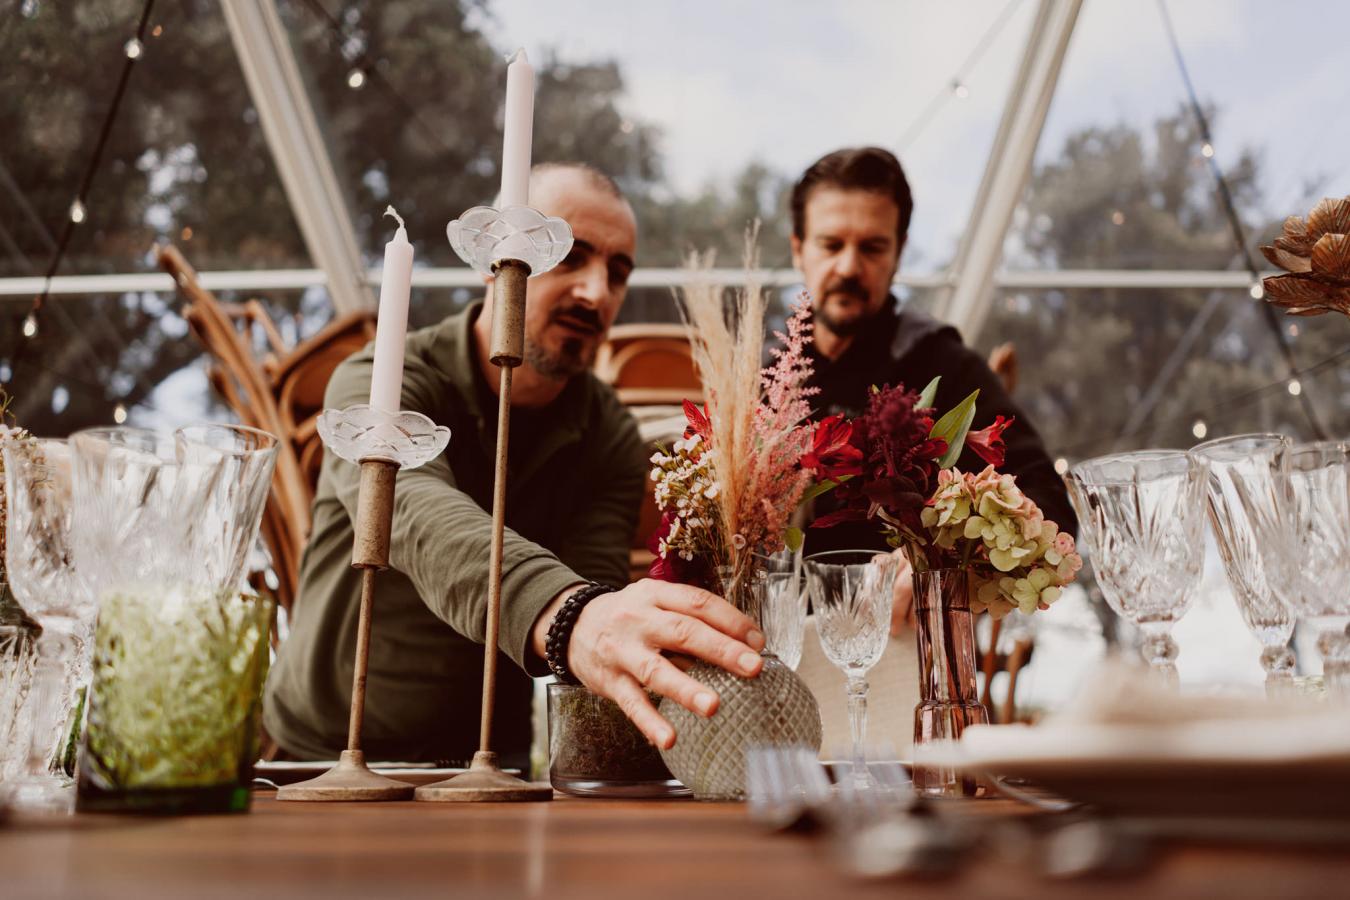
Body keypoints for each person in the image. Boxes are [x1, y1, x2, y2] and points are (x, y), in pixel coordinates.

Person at [264, 163, 764, 768]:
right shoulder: (384, 382)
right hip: (321, 760)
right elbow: (416, 518)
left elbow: (595, 601)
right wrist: (572, 615)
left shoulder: (607, 433)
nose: (597, 292)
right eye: (570, 256)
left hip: (484, 772)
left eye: (618, 271)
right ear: (489, 259)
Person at [789, 147, 1076, 629]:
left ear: (898, 254)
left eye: (872, 248)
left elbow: (1047, 500)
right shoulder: (765, 380)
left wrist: (943, 565)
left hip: (912, 659)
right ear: (799, 249)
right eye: (830, 244)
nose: (848, 267)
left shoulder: (943, 364)